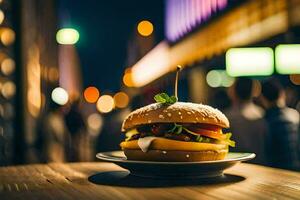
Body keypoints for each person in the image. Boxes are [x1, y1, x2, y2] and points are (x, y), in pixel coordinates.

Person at [224, 78, 267, 164]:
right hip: (261, 165)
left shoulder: (227, 118)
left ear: (233, 92)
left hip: (237, 166)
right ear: (254, 92)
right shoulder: (262, 114)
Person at [260, 79, 299, 170]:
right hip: (297, 169)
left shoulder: (263, 121)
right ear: (282, 94)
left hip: (276, 171)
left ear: (262, 98)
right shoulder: (295, 115)